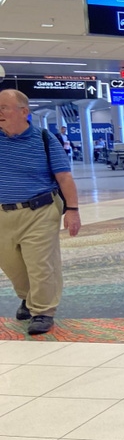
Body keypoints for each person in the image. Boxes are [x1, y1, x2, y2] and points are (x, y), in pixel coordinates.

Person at [0, 89, 82, 335]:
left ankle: (43, 310)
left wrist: (73, 210)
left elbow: (65, 178)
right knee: (11, 264)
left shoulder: (44, 139)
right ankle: (28, 297)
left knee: (40, 264)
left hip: (40, 210)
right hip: (3, 213)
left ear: (24, 112)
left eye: (4, 107)